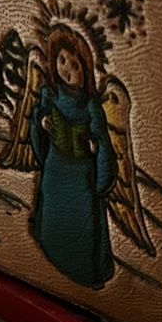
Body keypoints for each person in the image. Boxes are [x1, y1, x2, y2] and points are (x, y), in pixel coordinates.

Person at [26, 25, 118, 290]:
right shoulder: (50, 94)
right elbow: (37, 116)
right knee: (53, 215)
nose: (67, 69)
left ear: (86, 70)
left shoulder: (91, 107)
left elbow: (103, 143)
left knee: (82, 225)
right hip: (56, 168)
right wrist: (41, 123)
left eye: (75, 65)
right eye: (62, 60)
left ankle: (84, 270)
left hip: (80, 178)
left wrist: (100, 177)